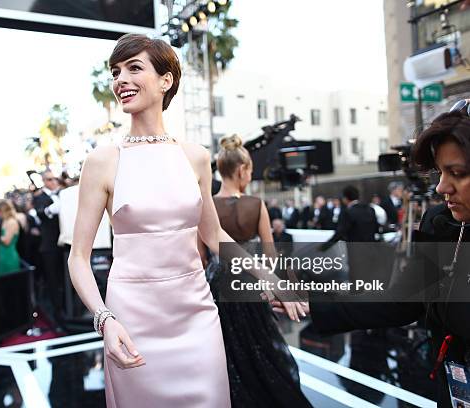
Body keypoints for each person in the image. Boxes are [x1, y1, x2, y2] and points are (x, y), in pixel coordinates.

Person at [68, 34, 303, 408]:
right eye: (115, 72)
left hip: (196, 313)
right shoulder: (103, 161)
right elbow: (78, 258)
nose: (120, 80)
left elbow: (213, 234)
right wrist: (104, 319)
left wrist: (273, 281)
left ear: (166, 80)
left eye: (134, 68)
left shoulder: (195, 157)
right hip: (131, 317)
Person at [272, 106, 470, 408]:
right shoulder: (439, 224)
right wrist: (313, 301)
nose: (442, 187)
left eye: (457, 173)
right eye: (440, 172)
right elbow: (400, 303)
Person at [202, 135, 311, 407]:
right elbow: (270, 255)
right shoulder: (255, 204)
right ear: (241, 170)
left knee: (225, 352)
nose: (250, 176)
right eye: (250, 171)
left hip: (217, 285)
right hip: (252, 282)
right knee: (260, 348)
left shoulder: (207, 207)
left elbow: (202, 257)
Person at [32, 171, 66, 325]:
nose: (54, 182)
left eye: (56, 179)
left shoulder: (64, 194)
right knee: (52, 279)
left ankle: (66, 307)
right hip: (49, 245)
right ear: (45, 181)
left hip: (65, 243)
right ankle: (56, 312)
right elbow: (40, 214)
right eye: (51, 179)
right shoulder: (39, 197)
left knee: (64, 277)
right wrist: (51, 210)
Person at [0, 199, 21, 275]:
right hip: (2, 255)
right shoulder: (4, 221)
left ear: (1, 211)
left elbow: (7, 241)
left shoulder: (11, 222)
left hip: (8, 256)